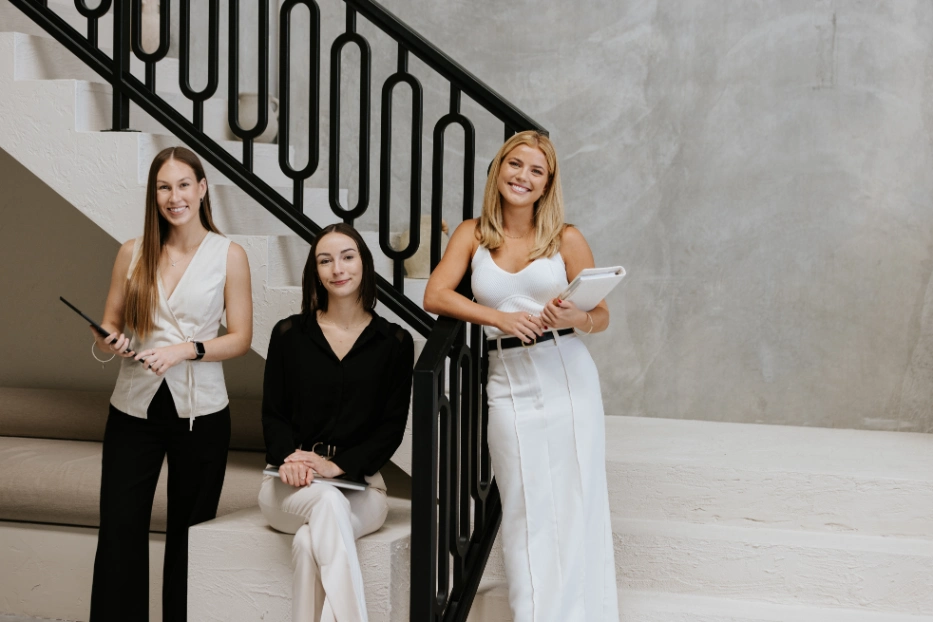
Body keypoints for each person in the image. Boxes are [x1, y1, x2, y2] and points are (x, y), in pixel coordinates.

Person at [423, 130, 619, 621]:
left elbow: (603, 315)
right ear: (499, 169)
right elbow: (436, 295)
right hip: (507, 379)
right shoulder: (472, 234)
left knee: (578, 503)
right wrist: (500, 318)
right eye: (515, 164)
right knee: (524, 509)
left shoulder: (565, 238)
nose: (523, 177)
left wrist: (577, 318)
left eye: (537, 170)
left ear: (547, 182)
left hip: (567, 375)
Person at [88, 146, 253, 621]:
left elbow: (241, 338)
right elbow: (106, 328)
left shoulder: (230, 255)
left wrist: (187, 349)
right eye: (164, 186)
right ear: (153, 194)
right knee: (120, 530)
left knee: (190, 534)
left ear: (202, 189)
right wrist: (110, 341)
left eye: (184, 184)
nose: (174, 195)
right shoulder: (132, 251)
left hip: (202, 412)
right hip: (132, 409)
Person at [258, 222, 414, 622]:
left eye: (347, 257)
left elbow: (390, 428)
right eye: (325, 260)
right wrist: (291, 460)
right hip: (288, 483)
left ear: (364, 264)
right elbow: (273, 413)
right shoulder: (289, 334)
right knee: (325, 500)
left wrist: (337, 466)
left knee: (312, 541)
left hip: (361, 488)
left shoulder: (394, 342)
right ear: (316, 271)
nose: (337, 268)